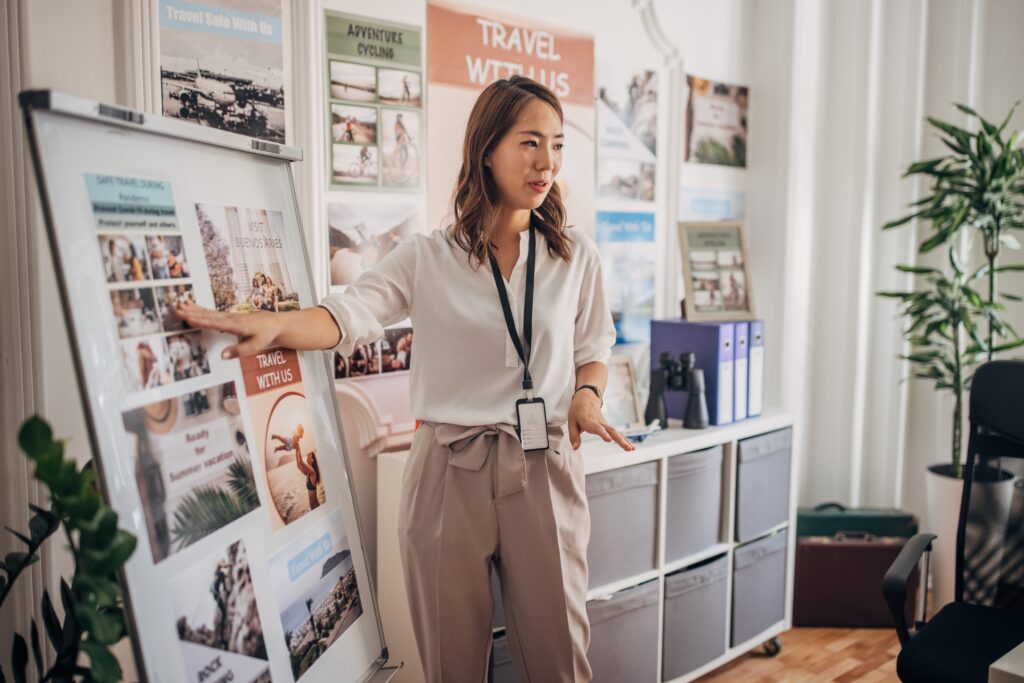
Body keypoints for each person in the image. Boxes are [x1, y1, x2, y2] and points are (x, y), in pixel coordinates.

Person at [177, 75, 633, 682]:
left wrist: (586, 395)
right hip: (448, 468)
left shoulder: (576, 255)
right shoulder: (428, 256)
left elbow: (593, 346)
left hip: (544, 465)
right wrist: (276, 326)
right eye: (529, 142)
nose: (546, 162)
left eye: (556, 145)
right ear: (487, 148)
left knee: (561, 661)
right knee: (450, 662)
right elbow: (350, 313)